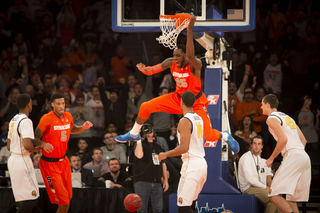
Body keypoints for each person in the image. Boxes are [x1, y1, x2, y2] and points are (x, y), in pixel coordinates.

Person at [116, 15, 239, 154]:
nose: (175, 58)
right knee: (145, 107)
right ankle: (134, 133)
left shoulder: (194, 65)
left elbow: (192, 55)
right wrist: (145, 69)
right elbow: (153, 70)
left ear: (185, 56)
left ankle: (225, 135)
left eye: (178, 56)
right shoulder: (171, 62)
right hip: (177, 99)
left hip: (195, 102)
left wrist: (190, 29)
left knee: (208, 135)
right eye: (174, 55)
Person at [34, 92, 93, 213]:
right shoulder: (47, 118)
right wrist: (43, 144)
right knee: (64, 202)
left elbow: (72, 129)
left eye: (63, 103)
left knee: (67, 200)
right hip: (50, 164)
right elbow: (35, 137)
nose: (62, 106)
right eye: (58, 103)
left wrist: (83, 127)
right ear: (52, 104)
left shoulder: (68, 116)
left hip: (64, 162)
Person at [261, 94, 311, 213]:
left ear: (268, 104)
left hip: (294, 155)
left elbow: (283, 140)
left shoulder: (271, 118)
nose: (261, 107)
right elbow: (304, 140)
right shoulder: (288, 118)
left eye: (262, 105)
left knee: (273, 194)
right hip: (303, 156)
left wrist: (271, 158)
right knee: (291, 198)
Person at [158, 91, 206, 213]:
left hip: (191, 165)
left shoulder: (185, 121)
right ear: (194, 102)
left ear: (181, 102)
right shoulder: (199, 118)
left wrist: (165, 154)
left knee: (183, 208)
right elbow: (203, 141)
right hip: (201, 164)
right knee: (191, 206)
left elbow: (184, 148)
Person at [7, 94, 53, 213]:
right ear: (29, 105)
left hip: (12, 160)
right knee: (32, 199)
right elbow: (27, 145)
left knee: (23, 200)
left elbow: (8, 145)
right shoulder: (26, 121)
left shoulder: (13, 120)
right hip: (22, 160)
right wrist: (37, 148)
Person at [131, 122, 169, 213]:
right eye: (146, 129)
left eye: (150, 128)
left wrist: (165, 180)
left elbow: (163, 164)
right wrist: (138, 138)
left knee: (158, 209)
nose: (148, 130)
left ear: (154, 131)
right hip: (142, 181)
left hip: (157, 181)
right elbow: (139, 155)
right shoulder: (139, 144)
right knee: (141, 209)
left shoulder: (159, 147)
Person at [238, 135, 280, 213]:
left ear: (262, 146)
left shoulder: (260, 159)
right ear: (251, 145)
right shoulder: (246, 157)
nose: (256, 146)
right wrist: (265, 187)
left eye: (259, 144)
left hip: (256, 187)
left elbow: (267, 179)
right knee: (272, 199)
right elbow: (250, 179)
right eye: (254, 143)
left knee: (280, 206)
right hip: (248, 188)